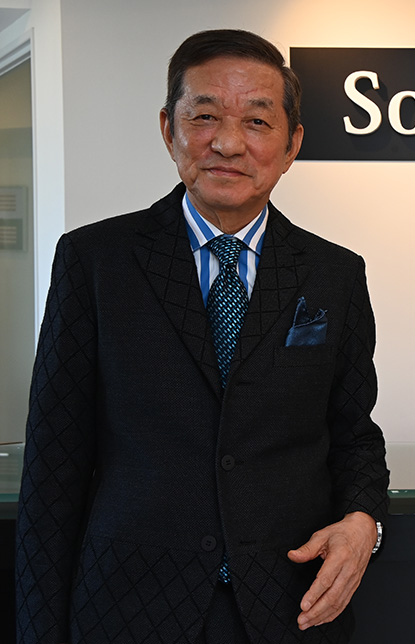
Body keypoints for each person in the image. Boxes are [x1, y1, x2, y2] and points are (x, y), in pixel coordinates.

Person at [15, 29, 389, 643]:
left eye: (257, 122)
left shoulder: (334, 274)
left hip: (288, 608)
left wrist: (363, 519)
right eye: (205, 116)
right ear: (169, 129)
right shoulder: (95, 261)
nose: (228, 143)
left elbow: (354, 435)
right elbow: (53, 464)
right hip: (128, 610)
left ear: (292, 144)